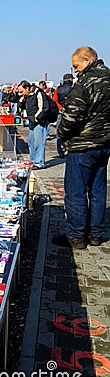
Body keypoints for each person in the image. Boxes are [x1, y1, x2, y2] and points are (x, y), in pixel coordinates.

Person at [55, 46, 110, 249]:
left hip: (82, 146)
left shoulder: (85, 83)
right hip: (104, 145)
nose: (75, 70)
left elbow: (71, 117)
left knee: (76, 191)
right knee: (98, 190)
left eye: (76, 65)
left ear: (87, 60)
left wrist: (61, 134)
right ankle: (96, 234)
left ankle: (76, 236)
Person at [17, 80, 50, 169]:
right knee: (31, 142)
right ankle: (33, 161)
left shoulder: (38, 92)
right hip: (32, 122)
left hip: (39, 121)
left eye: (21, 91)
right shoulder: (27, 96)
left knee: (38, 143)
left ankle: (39, 162)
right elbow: (21, 107)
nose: (21, 93)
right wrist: (21, 101)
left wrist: (36, 118)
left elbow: (44, 108)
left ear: (27, 88)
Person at [52, 73, 73, 158]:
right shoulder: (75, 87)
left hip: (60, 112)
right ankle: (70, 150)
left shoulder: (58, 89)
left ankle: (60, 152)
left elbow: (55, 100)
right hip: (72, 111)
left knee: (59, 132)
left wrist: (61, 108)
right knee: (72, 132)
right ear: (71, 79)